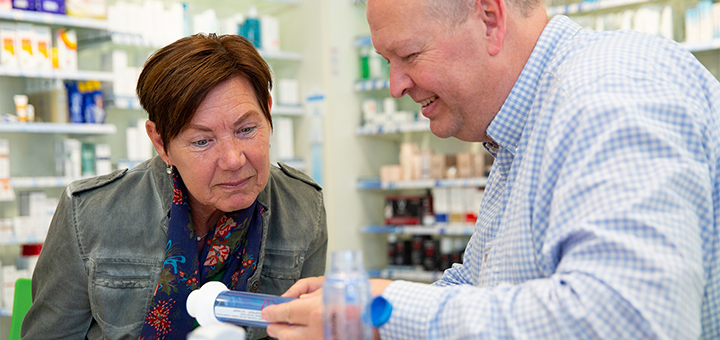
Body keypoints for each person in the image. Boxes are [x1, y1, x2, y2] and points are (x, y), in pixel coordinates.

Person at [262, 0, 720, 338]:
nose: (395, 85)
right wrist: (366, 295)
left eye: (409, 56)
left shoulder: (610, 92)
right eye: (387, 62)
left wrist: (383, 311)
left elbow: (629, 319)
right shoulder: (520, 128)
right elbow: (483, 286)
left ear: (490, 19)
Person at [22, 33, 328, 340]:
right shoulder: (89, 215)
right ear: (160, 142)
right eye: (202, 141)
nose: (233, 160)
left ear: (268, 113)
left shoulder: (303, 207)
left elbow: (306, 331)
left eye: (247, 129)